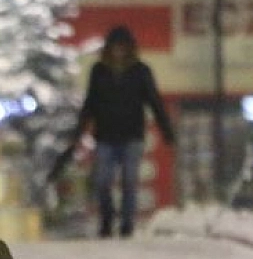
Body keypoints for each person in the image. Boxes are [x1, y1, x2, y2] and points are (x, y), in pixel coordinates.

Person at [66, 25, 176, 237]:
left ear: (129, 48)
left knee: (129, 182)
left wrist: (167, 132)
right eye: (115, 46)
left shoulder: (141, 71)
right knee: (102, 182)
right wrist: (79, 132)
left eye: (122, 46)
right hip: (105, 136)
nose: (118, 51)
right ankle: (107, 220)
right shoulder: (99, 71)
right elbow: (90, 103)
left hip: (132, 136)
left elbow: (154, 102)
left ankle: (126, 224)